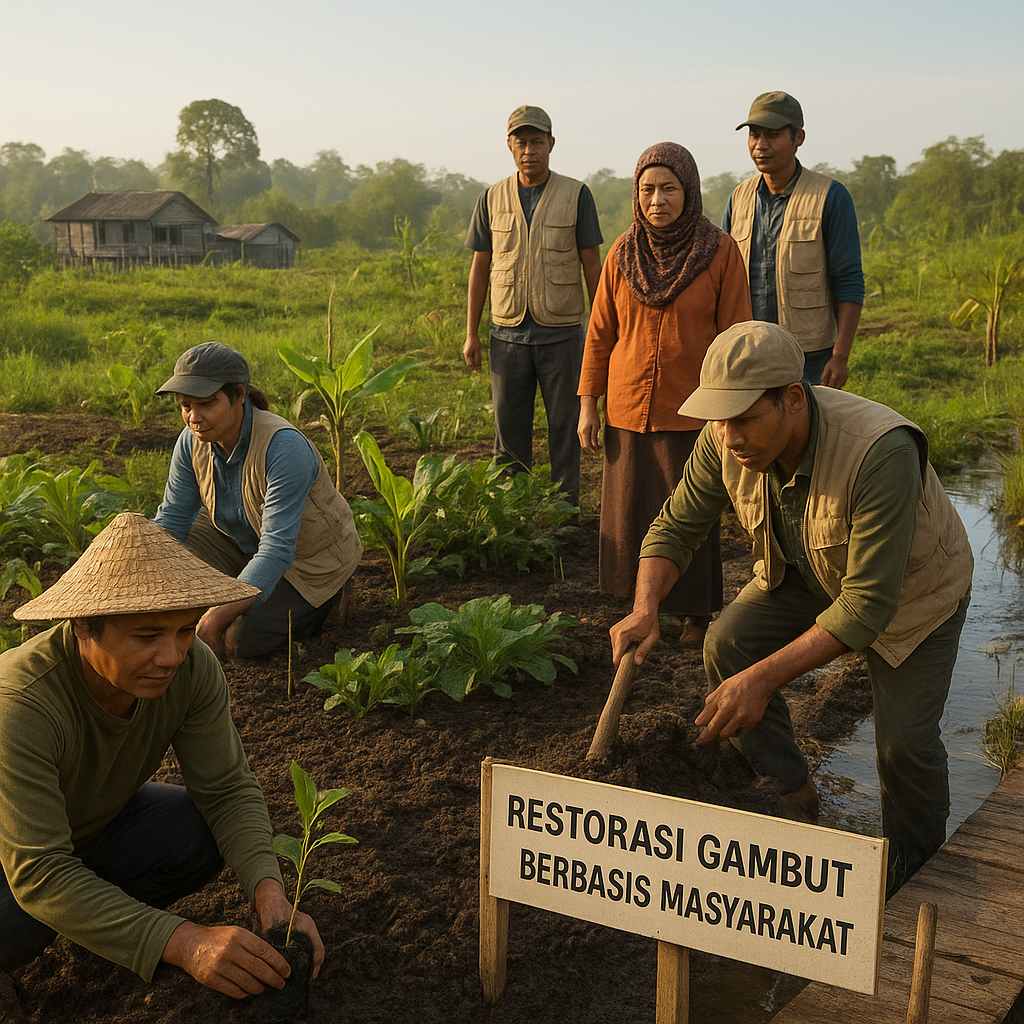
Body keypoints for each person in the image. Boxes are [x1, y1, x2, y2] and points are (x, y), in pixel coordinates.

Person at [609, 321, 973, 895]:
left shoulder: (880, 451)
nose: (730, 437)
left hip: (910, 593)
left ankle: (916, 873)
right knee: (729, 643)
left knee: (903, 744)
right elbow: (676, 527)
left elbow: (864, 607)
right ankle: (791, 790)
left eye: (746, 419)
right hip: (806, 568)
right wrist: (645, 606)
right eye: (720, 420)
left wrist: (761, 681)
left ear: (793, 399)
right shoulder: (723, 438)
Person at [0, 513, 324, 997]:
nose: (172, 656)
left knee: (196, 828)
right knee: (23, 918)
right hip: (18, 857)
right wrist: (184, 942)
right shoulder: (20, 703)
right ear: (85, 627)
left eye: (185, 630)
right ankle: (88, 920)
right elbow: (40, 872)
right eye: (147, 636)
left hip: (84, 835)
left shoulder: (192, 668)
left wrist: (270, 892)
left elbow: (228, 789)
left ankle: (98, 919)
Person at [577, 143, 750, 647]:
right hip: (627, 405)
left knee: (689, 514)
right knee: (629, 509)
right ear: (636, 194)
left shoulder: (719, 252)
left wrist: (730, 409)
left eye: (669, 188)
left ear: (689, 191)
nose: (658, 200)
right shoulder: (621, 252)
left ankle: (695, 614)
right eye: (648, 189)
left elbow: (735, 334)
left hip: (694, 409)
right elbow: (599, 334)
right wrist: (589, 402)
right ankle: (636, 607)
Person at [153, 342, 362, 660]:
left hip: (306, 563)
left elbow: (277, 552)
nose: (194, 417)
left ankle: (333, 599)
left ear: (238, 395)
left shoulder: (283, 448)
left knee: (239, 639)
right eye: (185, 406)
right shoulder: (191, 441)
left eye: (207, 403)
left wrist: (215, 616)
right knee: (162, 561)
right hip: (241, 542)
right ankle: (238, 589)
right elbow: (173, 519)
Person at [463, 104, 603, 506]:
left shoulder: (576, 194)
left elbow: (591, 263)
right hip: (505, 335)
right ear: (509, 146)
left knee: (564, 426)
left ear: (551, 144)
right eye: (521, 142)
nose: (529, 150)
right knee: (508, 433)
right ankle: (512, 513)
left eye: (537, 142)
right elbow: (480, 267)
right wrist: (471, 333)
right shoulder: (492, 197)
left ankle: (564, 514)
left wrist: (601, 330)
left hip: (561, 334)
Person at [722, 91, 864, 389]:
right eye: (755, 135)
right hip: (750, 352)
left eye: (773, 135)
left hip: (810, 358)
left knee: (807, 433)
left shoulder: (830, 197)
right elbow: (722, 277)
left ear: (798, 138)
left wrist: (840, 357)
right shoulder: (739, 198)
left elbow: (849, 280)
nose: (761, 145)